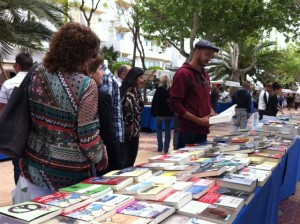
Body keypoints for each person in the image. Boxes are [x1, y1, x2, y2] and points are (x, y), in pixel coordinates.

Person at [20, 23, 107, 199]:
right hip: (70, 179)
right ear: (81, 54)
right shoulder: (85, 84)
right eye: (90, 54)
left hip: (33, 171)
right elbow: (88, 139)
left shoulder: (36, 73)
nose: (91, 59)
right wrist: (102, 154)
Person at [168, 39, 219, 149]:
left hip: (202, 131)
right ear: (197, 52)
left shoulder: (205, 75)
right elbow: (174, 103)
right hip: (187, 132)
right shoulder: (183, 73)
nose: (209, 59)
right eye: (207, 54)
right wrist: (199, 120)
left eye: (211, 56)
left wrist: (211, 112)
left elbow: (206, 99)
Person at [0, 53, 33, 185]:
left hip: (15, 133)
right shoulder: (38, 82)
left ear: (18, 66)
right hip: (35, 130)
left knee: (18, 165)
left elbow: (2, 109)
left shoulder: (8, 84)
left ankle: (21, 197)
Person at [85, 54, 122, 173]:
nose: (104, 73)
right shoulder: (100, 97)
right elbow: (108, 133)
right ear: (90, 72)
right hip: (98, 162)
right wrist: (117, 165)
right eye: (101, 69)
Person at [100, 60, 125, 169]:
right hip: (112, 138)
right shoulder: (108, 76)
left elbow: (105, 116)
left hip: (109, 139)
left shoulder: (106, 78)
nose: (102, 73)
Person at [120, 67, 144, 167]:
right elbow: (128, 109)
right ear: (134, 78)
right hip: (131, 133)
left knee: (126, 160)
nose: (142, 80)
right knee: (129, 161)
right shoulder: (131, 92)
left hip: (129, 132)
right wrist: (131, 124)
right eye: (141, 78)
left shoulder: (128, 89)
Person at [151, 75, 174, 153]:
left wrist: (154, 112)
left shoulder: (159, 88)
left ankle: (160, 147)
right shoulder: (171, 89)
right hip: (168, 113)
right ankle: (166, 148)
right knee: (168, 130)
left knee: (159, 129)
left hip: (159, 113)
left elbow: (155, 101)